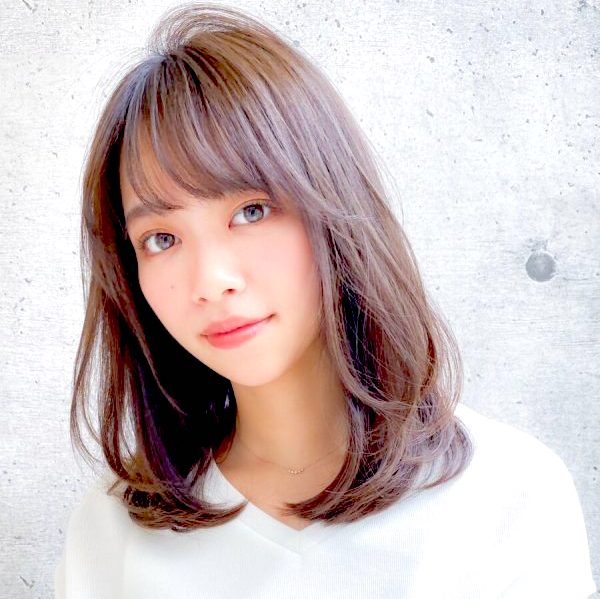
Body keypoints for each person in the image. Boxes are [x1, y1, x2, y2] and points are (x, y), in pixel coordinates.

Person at [55, 3, 596, 598]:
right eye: (162, 239)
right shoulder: (114, 533)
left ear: (330, 202)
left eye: (251, 211)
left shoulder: (503, 495)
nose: (210, 280)